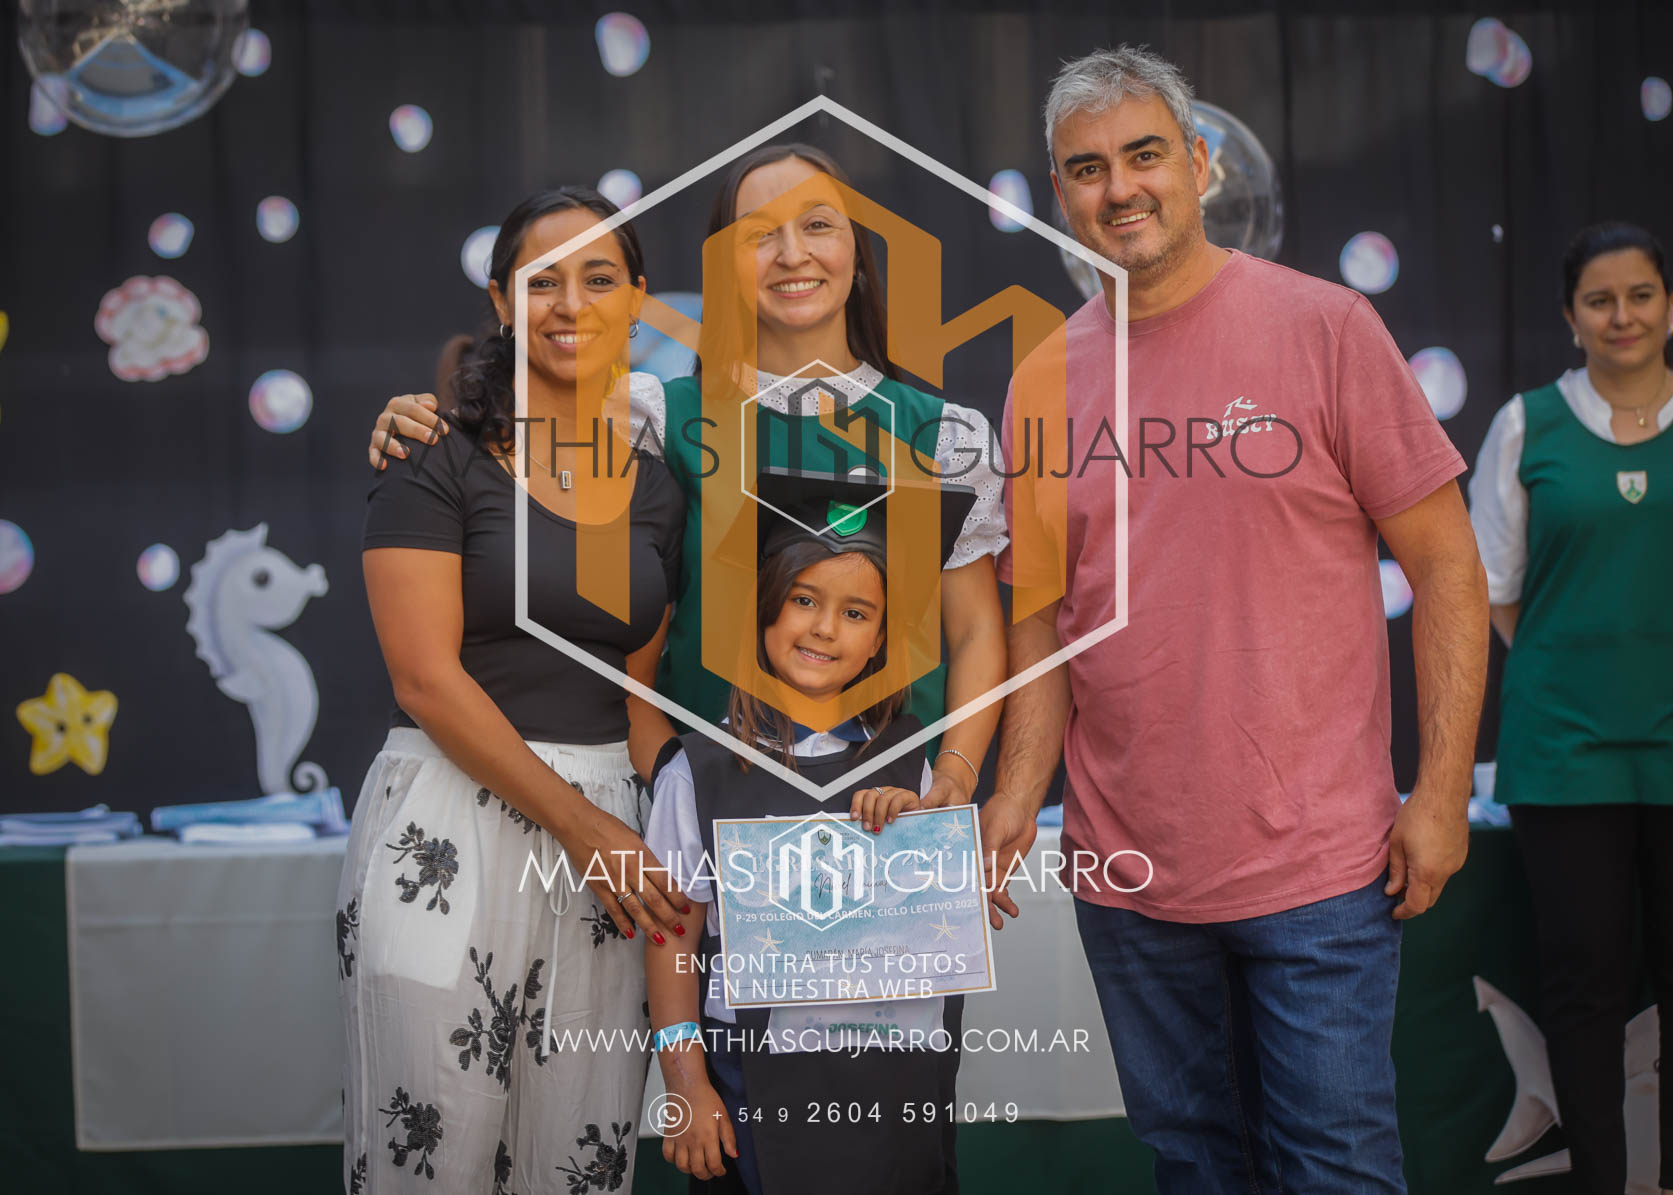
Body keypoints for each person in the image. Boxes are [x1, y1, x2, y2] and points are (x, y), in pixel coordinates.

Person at [980, 47, 1489, 1193]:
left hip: (1316, 872)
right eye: (1087, 169)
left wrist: (1441, 791)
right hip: (1125, 878)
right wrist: (1015, 790)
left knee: (1335, 1170)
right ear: (1058, 192)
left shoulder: (1325, 327)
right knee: (1195, 1167)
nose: (1119, 188)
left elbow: (1447, 567)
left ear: (1199, 163)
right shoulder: (1039, 380)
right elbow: (1042, 623)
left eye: (1143, 155)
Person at [363, 143, 1008, 814]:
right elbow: (513, 442)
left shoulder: (944, 435)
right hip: (713, 811)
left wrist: (956, 774)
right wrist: (425, 421)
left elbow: (973, 632)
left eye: (817, 225)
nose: (792, 254)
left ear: (858, 249)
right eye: (759, 233)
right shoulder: (653, 417)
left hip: (894, 811)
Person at [340, 186, 690, 1194]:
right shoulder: (432, 455)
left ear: (637, 298)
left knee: (577, 1159)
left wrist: (673, 826)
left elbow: (636, 693)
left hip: (610, 846)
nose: (570, 303)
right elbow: (425, 679)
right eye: (542, 281)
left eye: (599, 278)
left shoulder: (656, 486)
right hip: (450, 826)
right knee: (430, 1155)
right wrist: (581, 826)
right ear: (501, 300)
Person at [643, 470, 972, 1195]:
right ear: (763, 609)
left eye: (856, 613)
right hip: (749, 1073)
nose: (824, 628)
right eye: (803, 599)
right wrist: (686, 1084)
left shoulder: (912, 764)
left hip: (892, 1074)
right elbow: (671, 941)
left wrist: (920, 845)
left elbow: (938, 925)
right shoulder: (696, 771)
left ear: (881, 639)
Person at [1468, 221, 1673, 1195]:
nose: (1620, 315)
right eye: (1599, 299)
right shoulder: (1524, 425)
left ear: (1666, 305)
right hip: (1564, 755)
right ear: (1568, 315)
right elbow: (1493, 586)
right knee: (1583, 985)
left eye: (1639, 294)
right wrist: (1575, 670)